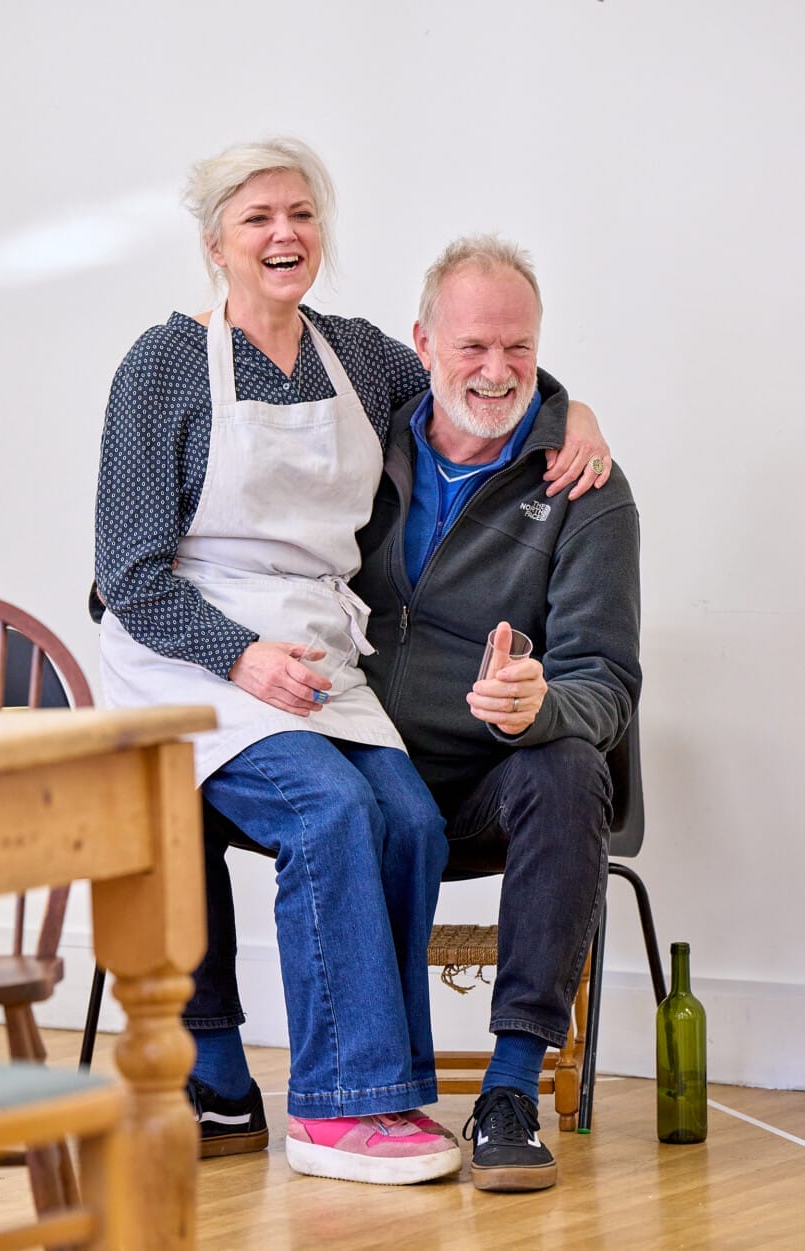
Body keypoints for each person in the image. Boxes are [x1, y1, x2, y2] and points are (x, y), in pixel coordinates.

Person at [94, 137, 611, 1187]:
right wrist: (240, 658)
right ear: (216, 244)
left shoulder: (359, 357)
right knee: (329, 810)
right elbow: (128, 574)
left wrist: (574, 413)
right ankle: (336, 1108)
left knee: (410, 819)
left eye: (301, 213)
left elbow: (480, 377)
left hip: (319, 651)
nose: (285, 234)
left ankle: (390, 1085)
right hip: (189, 656)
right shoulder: (161, 367)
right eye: (258, 218)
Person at [351, 234, 641, 1192]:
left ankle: (511, 1088)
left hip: (487, 786)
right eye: (473, 345)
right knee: (189, 765)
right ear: (423, 343)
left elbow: (607, 681)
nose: (496, 369)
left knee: (570, 765)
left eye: (519, 346)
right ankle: (217, 1073)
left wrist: (539, 703)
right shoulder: (361, 442)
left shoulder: (585, 488)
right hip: (355, 766)